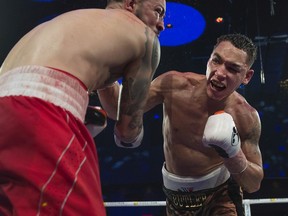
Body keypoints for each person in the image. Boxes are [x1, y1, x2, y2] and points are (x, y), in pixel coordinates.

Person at [0, 0, 166, 215]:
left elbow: (112, 104)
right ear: (132, 4)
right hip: (40, 110)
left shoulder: (76, 22)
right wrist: (135, 134)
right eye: (158, 12)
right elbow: (126, 132)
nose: (162, 24)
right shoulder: (145, 38)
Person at [97, 33, 264, 216]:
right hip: (175, 195)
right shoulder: (174, 85)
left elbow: (253, 184)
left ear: (246, 76)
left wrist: (233, 153)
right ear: (209, 59)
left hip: (222, 194)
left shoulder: (246, 116)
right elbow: (119, 110)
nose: (220, 73)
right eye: (216, 60)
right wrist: (102, 68)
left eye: (232, 68)